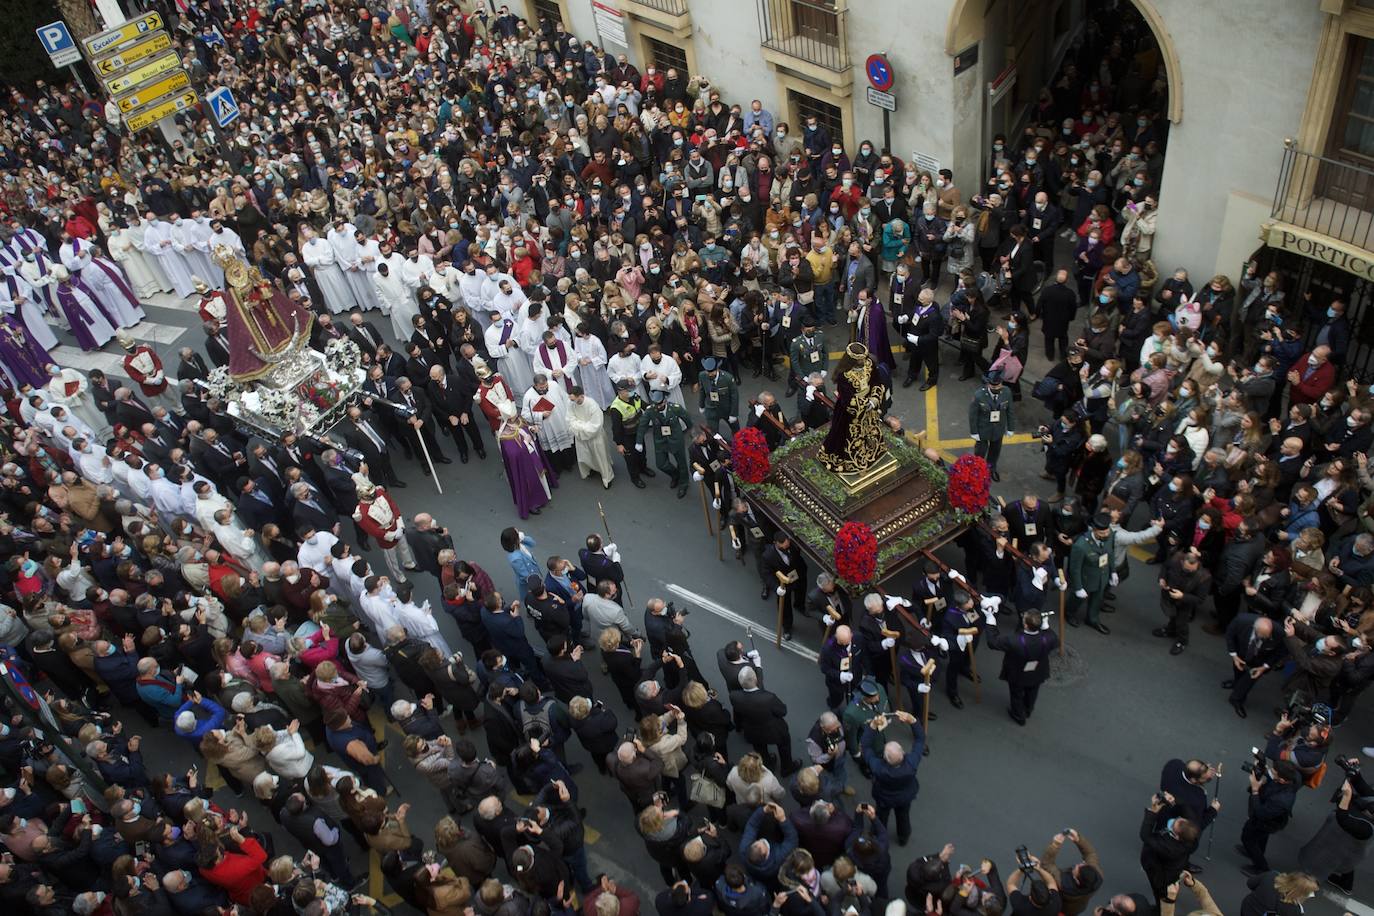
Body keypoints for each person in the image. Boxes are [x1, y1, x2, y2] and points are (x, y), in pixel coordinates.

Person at [983, 610, 1059, 726]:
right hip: (1038, 671)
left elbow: (993, 642)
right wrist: (1046, 627)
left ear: (1026, 625)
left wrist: (990, 621)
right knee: (1033, 691)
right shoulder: (1048, 638)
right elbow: (1055, 641)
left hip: (1017, 673)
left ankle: (1018, 715)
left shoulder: (1014, 640)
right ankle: (1028, 710)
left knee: (1016, 694)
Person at [859, 711, 924, 846]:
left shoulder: (878, 768)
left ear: (884, 758)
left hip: (884, 798)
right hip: (905, 796)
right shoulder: (911, 763)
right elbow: (920, 740)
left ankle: (878, 835)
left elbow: (865, 747)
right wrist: (913, 721)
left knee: (881, 817)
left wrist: (872, 726)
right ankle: (903, 837)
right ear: (903, 752)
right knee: (903, 816)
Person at [1237, 758, 1300, 876]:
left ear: (1281, 780)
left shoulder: (1281, 800)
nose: (1270, 772)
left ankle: (1261, 867)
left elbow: (1261, 813)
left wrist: (1255, 790)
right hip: (1270, 820)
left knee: (1248, 838)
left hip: (1266, 821)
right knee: (1261, 837)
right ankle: (1257, 851)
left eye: (1273, 772)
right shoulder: (1292, 778)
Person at [1066, 513, 1114, 635]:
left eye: (1107, 532)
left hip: (1102, 576)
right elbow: (1075, 569)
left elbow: (1110, 553)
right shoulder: (1081, 545)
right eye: (1102, 533)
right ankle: (1069, 613)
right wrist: (1078, 587)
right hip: (1085, 579)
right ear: (1094, 530)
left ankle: (1092, 619)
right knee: (1077, 599)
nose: (1106, 535)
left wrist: (1113, 572)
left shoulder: (1110, 535)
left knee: (1097, 599)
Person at [969, 370, 1014, 481]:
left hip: (998, 429)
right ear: (988, 383)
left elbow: (1010, 411)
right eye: (992, 385)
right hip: (983, 429)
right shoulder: (979, 395)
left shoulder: (1007, 392)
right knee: (980, 451)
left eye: (997, 385)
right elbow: (973, 415)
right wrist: (974, 431)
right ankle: (977, 470)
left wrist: (1010, 428)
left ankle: (991, 469)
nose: (995, 387)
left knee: (995, 451)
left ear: (1001, 383)